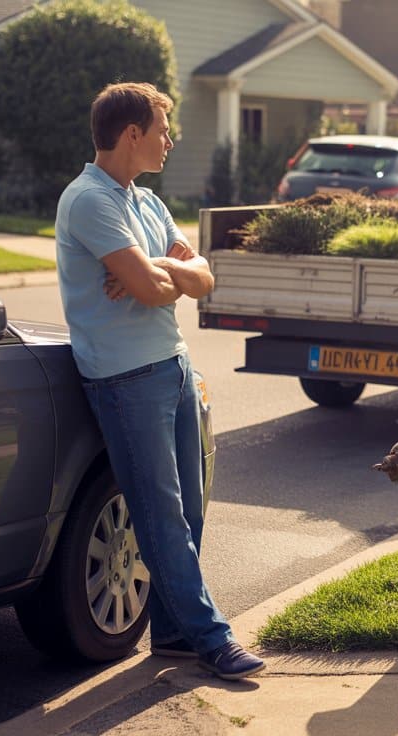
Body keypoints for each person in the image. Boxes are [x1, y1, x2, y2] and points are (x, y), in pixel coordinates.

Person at [55, 81, 264, 679]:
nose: (170, 141)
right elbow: (151, 290)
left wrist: (163, 268)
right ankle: (211, 638)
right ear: (131, 135)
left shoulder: (147, 203)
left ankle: (171, 635)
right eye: (163, 131)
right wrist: (160, 276)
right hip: (123, 378)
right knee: (160, 514)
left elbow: (203, 278)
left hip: (173, 365)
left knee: (190, 510)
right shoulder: (89, 201)